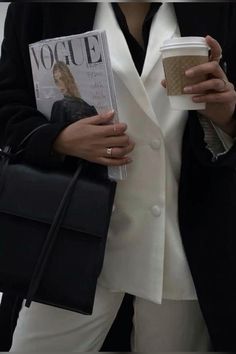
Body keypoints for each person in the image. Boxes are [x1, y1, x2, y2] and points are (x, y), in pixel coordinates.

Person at [0, 2, 236, 351]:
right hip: (71, 236)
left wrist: (228, 116)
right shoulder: (42, 7)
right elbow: (7, 104)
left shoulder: (216, 9)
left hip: (184, 246)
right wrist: (57, 140)